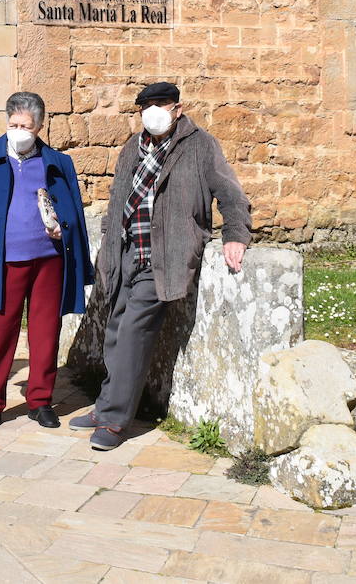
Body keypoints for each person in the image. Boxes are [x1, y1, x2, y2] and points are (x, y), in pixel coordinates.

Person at [69, 81, 251, 450]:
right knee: (116, 331)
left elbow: (230, 192)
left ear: (177, 109)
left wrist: (236, 233)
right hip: (127, 254)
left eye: (162, 104)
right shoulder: (131, 148)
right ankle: (105, 405)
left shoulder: (199, 145)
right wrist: (107, 244)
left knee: (133, 335)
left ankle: (116, 421)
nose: (154, 111)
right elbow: (118, 197)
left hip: (165, 257)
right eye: (146, 106)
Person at [0, 92, 93, 430]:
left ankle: (40, 400)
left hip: (48, 261)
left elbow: (74, 213)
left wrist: (62, 229)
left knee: (45, 333)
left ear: (39, 126)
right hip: (1, 263)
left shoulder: (58, 162)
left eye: (27, 125)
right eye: (14, 124)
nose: (19, 130)